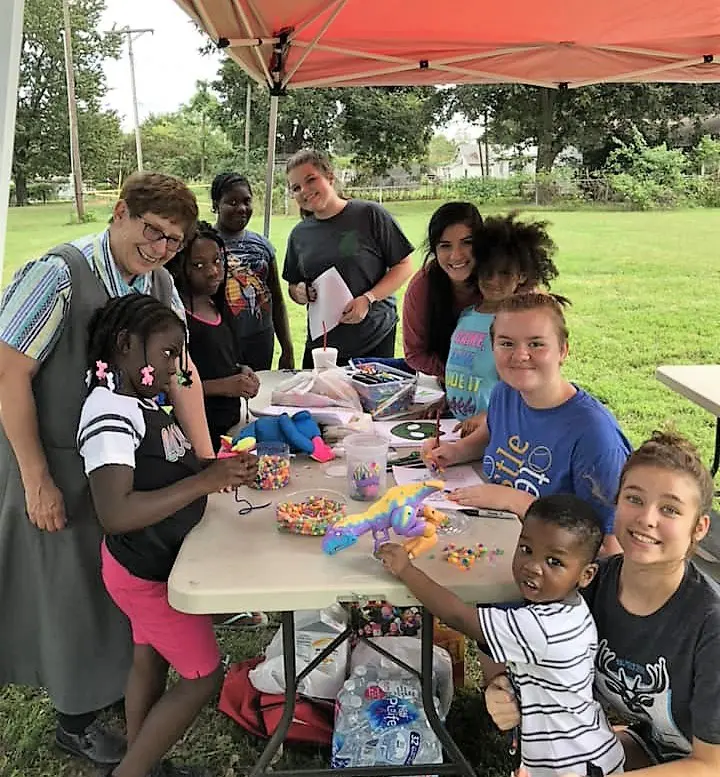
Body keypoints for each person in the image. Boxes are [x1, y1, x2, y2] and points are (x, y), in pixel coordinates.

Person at [0, 172, 213, 766]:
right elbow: (8, 375)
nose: (161, 249)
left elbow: (182, 373)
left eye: (174, 240)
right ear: (119, 212)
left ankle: (113, 694)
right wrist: (37, 479)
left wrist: (204, 461)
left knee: (120, 584)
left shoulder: (162, 283)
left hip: (128, 462)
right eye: (153, 232)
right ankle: (75, 718)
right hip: (58, 460)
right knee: (70, 592)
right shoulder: (58, 275)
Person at [77, 295, 258, 777]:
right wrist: (202, 482)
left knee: (148, 659)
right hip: (145, 574)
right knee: (203, 677)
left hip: (147, 565)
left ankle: (143, 760)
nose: (178, 367)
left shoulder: (136, 399)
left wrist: (215, 469)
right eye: (167, 354)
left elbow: (165, 466)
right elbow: (115, 512)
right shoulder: (109, 416)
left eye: (182, 356)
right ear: (124, 345)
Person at [484, 432, 720, 777]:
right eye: (634, 499)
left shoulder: (710, 625)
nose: (647, 518)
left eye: (669, 509)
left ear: (698, 527)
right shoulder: (589, 585)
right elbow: (514, 644)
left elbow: (709, 766)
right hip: (650, 745)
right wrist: (501, 688)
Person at [378, 493, 625, 777]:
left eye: (554, 562)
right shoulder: (567, 609)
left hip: (574, 765)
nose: (533, 566)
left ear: (586, 575)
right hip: (573, 752)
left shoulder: (543, 627)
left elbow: (459, 616)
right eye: (526, 549)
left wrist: (406, 570)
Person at [424, 293, 631, 553]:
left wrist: (519, 502)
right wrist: (456, 451)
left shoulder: (595, 436)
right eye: (507, 343)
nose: (520, 355)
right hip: (494, 540)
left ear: (563, 350)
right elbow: (491, 434)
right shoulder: (505, 392)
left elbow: (611, 548)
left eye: (536, 344)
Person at [282, 149, 414, 367]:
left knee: (367, 400)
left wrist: (368, 299)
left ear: (330, 177)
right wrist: (299, 292)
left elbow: (405, 265)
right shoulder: (299, 234)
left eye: (311, 180)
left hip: (373, 337)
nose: (304, 191)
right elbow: (293, 286)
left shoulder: (369, 214)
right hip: (322, 346)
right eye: (296, 188)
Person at [446, 212, 559, 428]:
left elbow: (528, 384)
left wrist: (487, 417)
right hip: (457, 427)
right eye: (487, 272)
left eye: (505, 273)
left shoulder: (518, 326)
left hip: (497, 427)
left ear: (522, 276)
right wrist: (446, 401)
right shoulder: (467, 315)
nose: (493, 280)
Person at [166, 221, 260, 451]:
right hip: (195, 437)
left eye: (217, 261)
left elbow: (218, 360)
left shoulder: (216, 305)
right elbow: (171, 385)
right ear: (179, 267)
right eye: (198, 265)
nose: (213, 271)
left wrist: (241, 370)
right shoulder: (175, 319)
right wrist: (224, 387)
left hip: (229, 429)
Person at [211, 172, 294, 370]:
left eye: (246, 201)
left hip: (260, 340)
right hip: (220, 341)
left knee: (258, 394)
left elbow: (277, 299)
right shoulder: (204, 244)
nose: (241, 208)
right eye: (231, 202)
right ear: (216, 205)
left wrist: (287, 349)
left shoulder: (262, 245)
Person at [403, 201, 484, 378]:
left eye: (467, 242)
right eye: (445, 245)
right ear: (434, 250)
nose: (456, 255)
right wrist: (459, 376)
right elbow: (414, 354)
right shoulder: (422, 286)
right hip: (446, 384)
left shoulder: (502, 279)